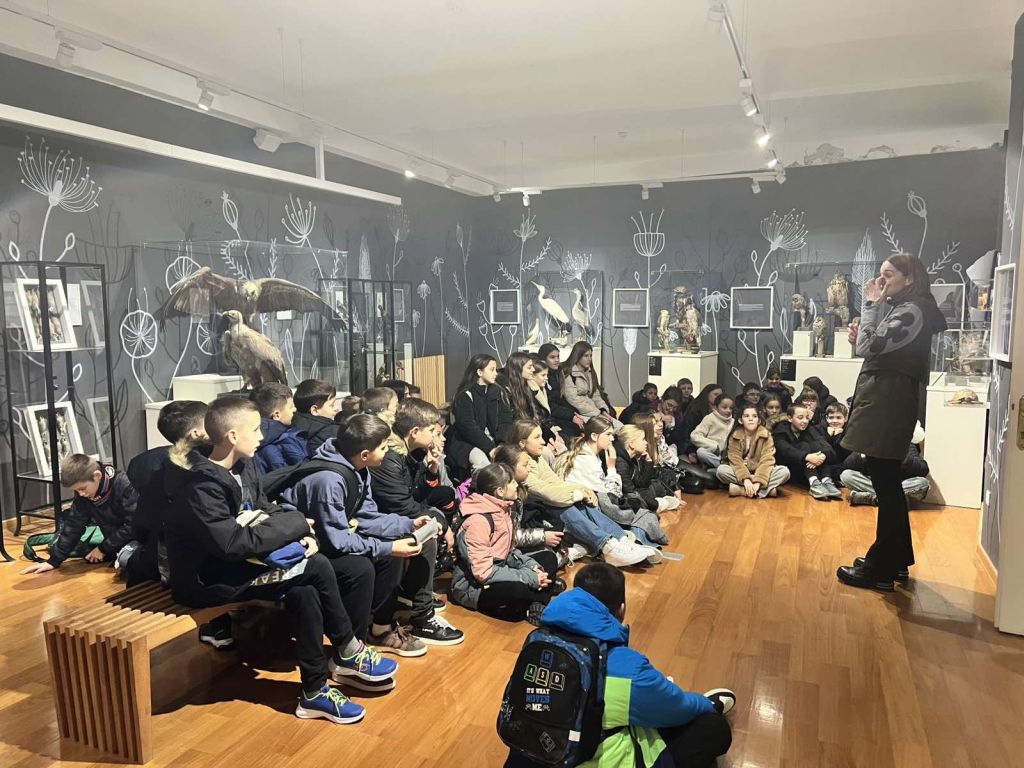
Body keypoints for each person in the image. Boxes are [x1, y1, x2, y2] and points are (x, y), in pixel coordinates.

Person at [161, 397, 396, 723]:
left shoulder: (243, 465)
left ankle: (314, 692)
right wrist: (297, 525)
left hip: (243, 562)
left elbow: (264, 508)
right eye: (256, 429)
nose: (262, 436)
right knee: (316, 567)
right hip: (206, 578)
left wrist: (300, 535)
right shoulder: (200, 484)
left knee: (306, 588)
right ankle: (347, 650)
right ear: (232, 436)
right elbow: (231, 543)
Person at [506, 562, 735, 768]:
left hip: (531, 753)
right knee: (714, 728)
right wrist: (707, 704)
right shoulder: (625, 668)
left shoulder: (536, 643)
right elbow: (678, 708)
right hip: (582, 757)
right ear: (621, 609)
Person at [281, 413, 460, 652]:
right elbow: (336, 540)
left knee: (396, 546)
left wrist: (409, 525)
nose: (388, 452)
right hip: (310, 545)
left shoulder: (358, 468)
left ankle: (382, 627)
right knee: (375, 560)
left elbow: (367, 517)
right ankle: (361, 641)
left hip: (332, 535)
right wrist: (389, 547)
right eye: (384, 447)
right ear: (365, 454)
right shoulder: (329, 480)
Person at [837, 253, 946, 591]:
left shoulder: (911, 310)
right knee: (888, 483)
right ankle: (894, 561)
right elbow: (874, 346)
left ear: (909, 278)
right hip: (890, 399)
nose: (881, 281)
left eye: (888, 275)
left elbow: (868, 347)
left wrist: (871, 306)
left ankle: (880, 569)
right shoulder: (911, 308)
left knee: (885, 482)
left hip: (889, 401)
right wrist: (865, 336)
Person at [369, 397, 463, 640]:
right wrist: (440, 522)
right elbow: (401, 504)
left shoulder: (411, 452)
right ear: (414, 432)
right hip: (378, 520)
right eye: (432, 430)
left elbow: (416, 494)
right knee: (426, 537)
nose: (436, 436)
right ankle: (421, 617)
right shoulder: (390, 458)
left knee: (437, 513)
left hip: (392, 515)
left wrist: (431, 470)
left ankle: (414, 600)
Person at [508, 419, 657, 567]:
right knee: (566, 505)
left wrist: (582, 489)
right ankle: (607, 545)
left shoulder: (537, 458)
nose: (543, 441)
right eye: (537, 437)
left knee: (582, 502)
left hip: (554, 506)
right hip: (534, 516)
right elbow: (548, 492)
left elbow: (556, 483)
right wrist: (586, 489)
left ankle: (620, 540)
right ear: (522, 443)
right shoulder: (521, 465)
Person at [450, 463, 565, 623]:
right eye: (511, 482)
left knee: (548, 558)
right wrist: (529, 577)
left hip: (500, 568)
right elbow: (483, 573)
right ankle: (539, 592)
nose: (516, 484)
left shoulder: (503, 510)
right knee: (518, 592)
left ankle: (537, 604)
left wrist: (532, 567)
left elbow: (509, 552)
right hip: (473, 585)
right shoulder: (477, 522)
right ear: (500, 491)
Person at [125, 400, 208, 585]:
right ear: (196, 433)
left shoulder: (146, 462)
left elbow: (141, 523)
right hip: (188, 565)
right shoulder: (201, 470)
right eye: (210, 421)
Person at [558, 417, 671, 547]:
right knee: (641, 514)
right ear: (594, 436)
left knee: (643, 511)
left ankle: (636, 539)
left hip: (596, 504)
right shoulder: (587, 460)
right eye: (608, 434)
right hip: (585, 509)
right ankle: (633, 540)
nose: (612, 438)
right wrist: (611, 467)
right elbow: (613, 494)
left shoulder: (594, 455)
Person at [21, 454, 139, 575]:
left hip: (141, 539)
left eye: (82, 488)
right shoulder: (85, 493)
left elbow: (134, 525)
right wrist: (53, 561)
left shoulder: (124, 484)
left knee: (126, 561)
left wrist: (103, 548)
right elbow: (74, 524)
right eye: (76, 490)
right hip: (115, 542)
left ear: (97, 476)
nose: (81, 494)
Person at [492, 443, 567, 560]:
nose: (529, 468)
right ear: (509, 469)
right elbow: (509, 536)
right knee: (548, 559)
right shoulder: (503, 497)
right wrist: (542, 537)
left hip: (522, 540)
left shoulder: (520, 489)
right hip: (504, 552)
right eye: (525, 465)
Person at [448, 353, 514, 476]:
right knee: (482, 464)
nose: (496, 373)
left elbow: (505, 419)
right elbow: (467, 427)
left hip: (496, 441)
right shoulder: (465, 395)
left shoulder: (498, 393)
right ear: (479, 372)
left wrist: (501, 443)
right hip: (468, 443)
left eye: (496, 370)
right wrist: (490, 448)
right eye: (492, 370)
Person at [716, 405, 790, 498]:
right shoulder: (735, 436)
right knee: (721, 470)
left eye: (754, 416)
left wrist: (758, 482)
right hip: (741, 472)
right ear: (740, 420)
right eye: (746, 416)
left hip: (760, 471)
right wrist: (746, 479)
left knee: (784, 472)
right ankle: (766, 491)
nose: (750, 419)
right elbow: (735, 460)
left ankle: (741, 490)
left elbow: (767, 460)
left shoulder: (766, 435)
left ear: (759, 421)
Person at [771, 404, 841, 501]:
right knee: (803, 446)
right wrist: (807, 457)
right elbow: (785, 450)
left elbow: (827, 447)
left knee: (819, 448)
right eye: (800, 418)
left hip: (811, 468)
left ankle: (826, 480)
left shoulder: (810, 428)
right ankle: (814, 483)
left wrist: (822, 456)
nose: (805, 421)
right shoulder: (780, 430)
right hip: (791, 469)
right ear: (790, 418)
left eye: (807, 418)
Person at [841, 442, 931, 511]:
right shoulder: (867, 443)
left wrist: (903, 459)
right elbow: (847, 464)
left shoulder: (906, 444)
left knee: (923, 483)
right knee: (846, 475)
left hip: (898, 484)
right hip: (872, 482)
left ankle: (871, 498)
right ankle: (893, 500)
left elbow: (923, 469)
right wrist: (861, 456)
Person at [251, 382, 308, 473]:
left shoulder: (246, 437)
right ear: (277, 415)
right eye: (291, 407)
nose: (294, 410)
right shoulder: (287, 441)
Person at [561, 341, 617, 425]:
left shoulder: (590, 372)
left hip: (593, 410)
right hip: (580, 412)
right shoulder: (568, 373)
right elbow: (573, 399)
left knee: (619, 426)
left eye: (591, 355)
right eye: (586, 356)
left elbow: (595, 395)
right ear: (578, 356)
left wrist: (603, 410)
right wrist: (597, 414)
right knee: (607, 427)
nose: (589, 359)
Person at [537, 343, 584, 437]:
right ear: (544, 359)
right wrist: (571, 416)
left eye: (558, 356)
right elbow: (549, 405)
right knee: (571, 430)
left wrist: (573, 413)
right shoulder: (541, 379)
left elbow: (560, 399)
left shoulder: (558, 373)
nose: (557, 360)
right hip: (549, 417)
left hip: (558, 413)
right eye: (552, 357)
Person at [668, 382, 722, 454]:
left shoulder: (722, 409)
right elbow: (688, 430)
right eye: (716, 394)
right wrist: (690, 450)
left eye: (721, 395)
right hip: (693, 445)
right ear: (707, 395)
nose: (719, 397)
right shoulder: (696, 408)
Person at [293, 379, 341, 455]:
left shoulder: (291, 427)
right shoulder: (332, 433)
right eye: (332, 405)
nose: (336, 408)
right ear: (315, 410)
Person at [690, 393, 735, 469]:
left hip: (727, 455)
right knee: (701, 452)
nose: (728, 410)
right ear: (716, 407)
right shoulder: (709, 418)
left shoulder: (733, 422)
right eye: (724, 407)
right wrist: (714, 446)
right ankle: (722, 466)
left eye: (731, 408)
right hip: (711, 452)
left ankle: (720, 467)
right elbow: (695, 436)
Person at [823, 402, 851, 472]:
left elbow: (847, 455)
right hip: (825, 465)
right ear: (826, 418)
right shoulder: (821, 429)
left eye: (838, 418)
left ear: (845, 418)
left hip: (843, 466)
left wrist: (838, 436)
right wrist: (828, 436)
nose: (834, 421)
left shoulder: (850, 432)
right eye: (831, 418)